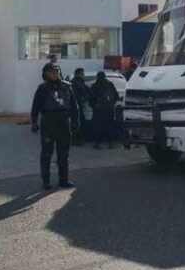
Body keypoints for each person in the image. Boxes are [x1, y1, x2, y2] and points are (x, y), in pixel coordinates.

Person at [30, 62, 81, 190]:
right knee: (47, 153)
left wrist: (76, 121)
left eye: (57, 70)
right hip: (48, 121)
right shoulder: (43, 88)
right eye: (52, 71)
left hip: (63, 121)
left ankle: (63, 179)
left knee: (64, 153)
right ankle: (46, 181)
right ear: (46, 73)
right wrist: (34, 122)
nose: (55, 73)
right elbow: (35, 107)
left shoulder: (67, 87)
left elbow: (74, 106)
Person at [89, 71, 121, 149]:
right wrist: (111, 104)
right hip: (109, 109)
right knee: (109, 126)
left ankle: (97, 143)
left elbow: (91, 97)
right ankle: (110, 143)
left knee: (98, 126)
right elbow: (116, 96)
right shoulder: (110, 84)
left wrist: (93, 105)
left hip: (98, 110)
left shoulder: (95, 85)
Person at [70, 68, 90, 147]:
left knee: (79, 122)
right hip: (75, 105)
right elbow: (75, 94)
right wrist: (82, 98)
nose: (83, 75)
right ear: (78, 74)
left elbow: (86, 90)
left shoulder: (80, 82)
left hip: (79, 105)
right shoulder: (75, 82)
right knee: (77, 123)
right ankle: (75, 140)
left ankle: (76, 139)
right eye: (82, 74)